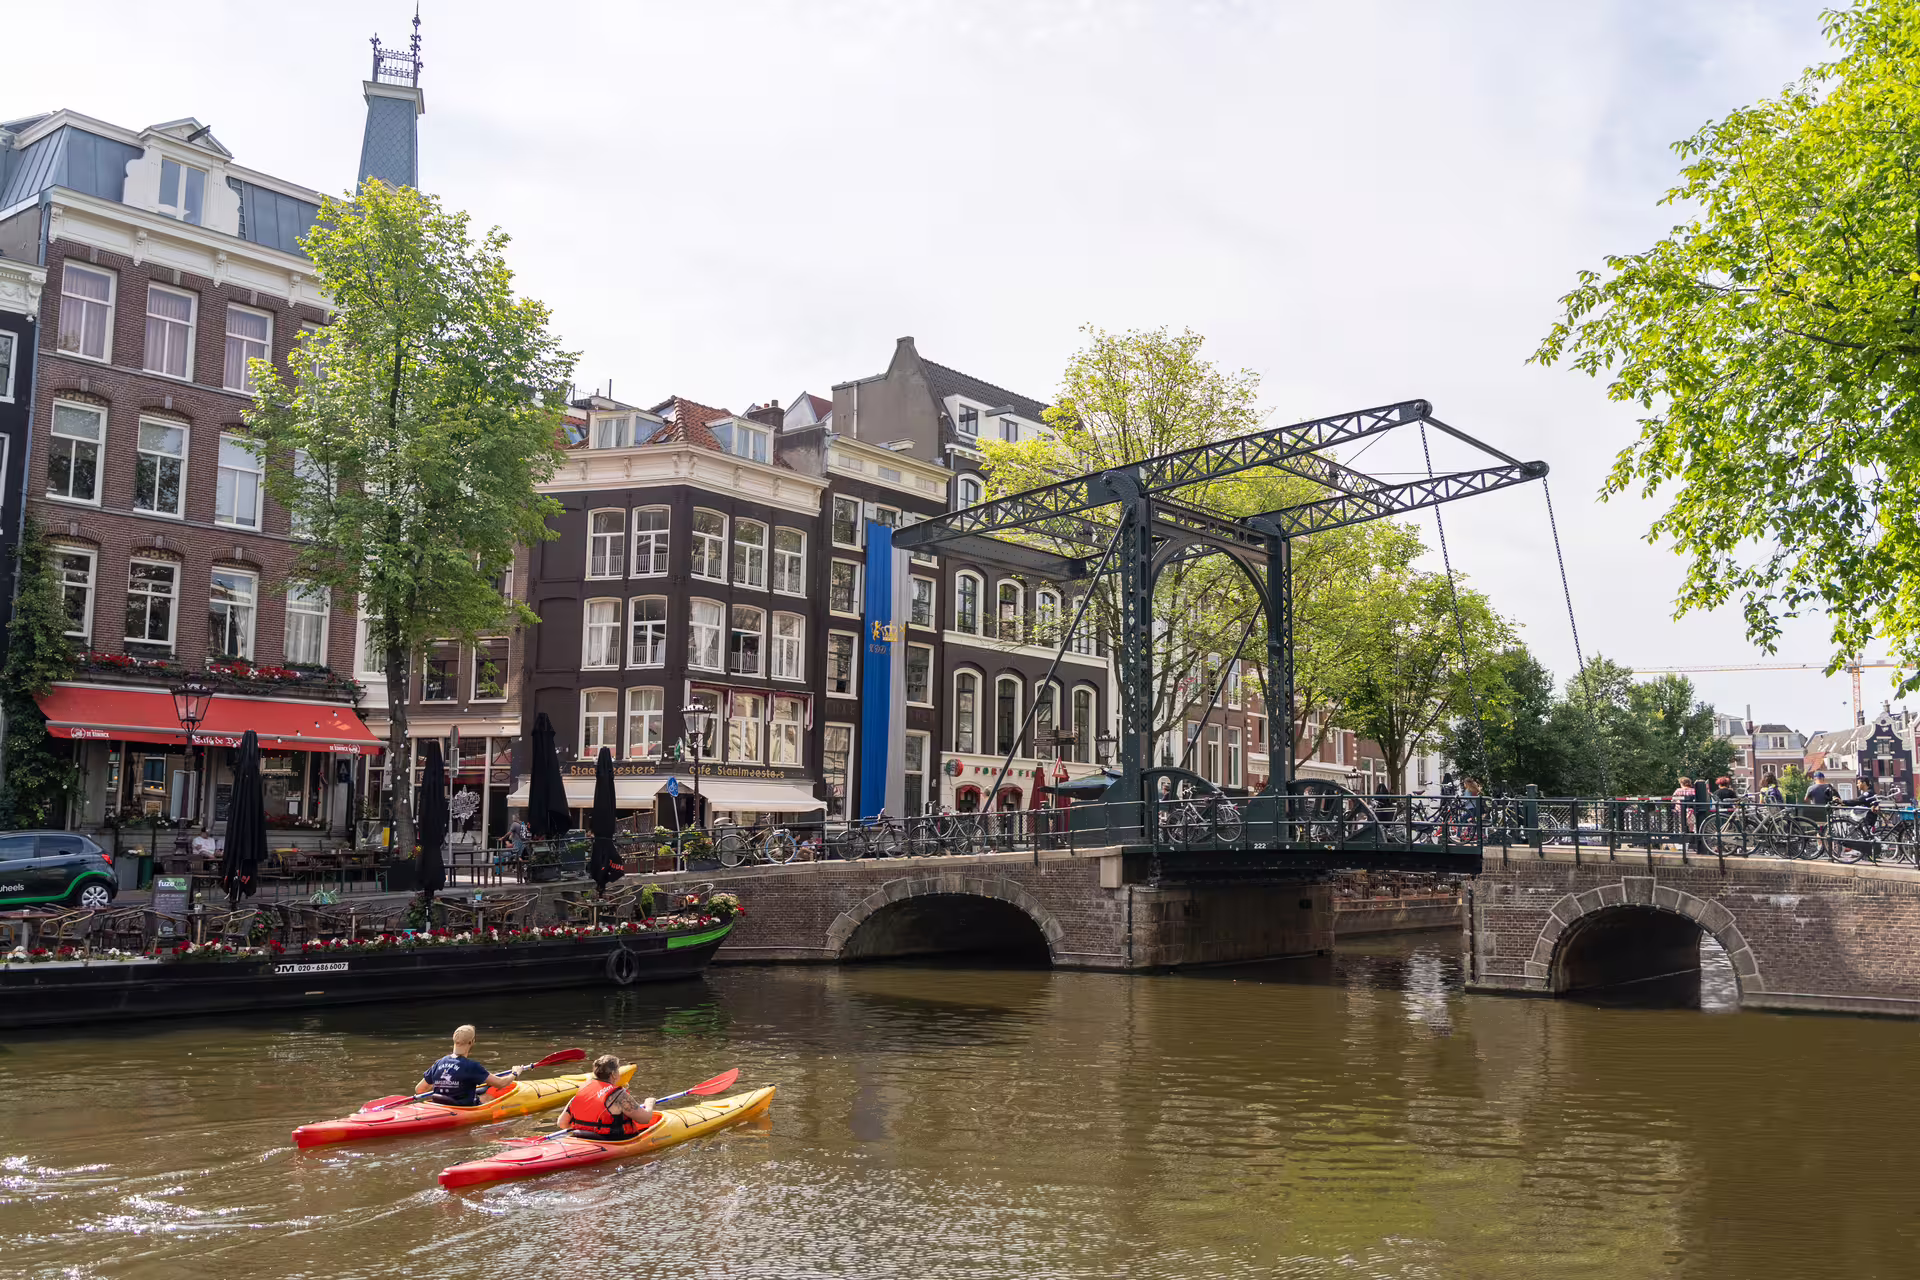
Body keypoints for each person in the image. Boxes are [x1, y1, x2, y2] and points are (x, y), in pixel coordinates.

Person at [559, 1054, 656, 1141]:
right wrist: (649, 1104)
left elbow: (562, 1123)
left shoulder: (582, 1091)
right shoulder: (619, 1095)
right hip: (611, 1141)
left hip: (580, 1137)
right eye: (618, 1070)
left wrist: (585, 1130)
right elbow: (645, 1119)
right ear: (613, 1074)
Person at [418, 1025, 518, 1108]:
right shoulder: (471, 1066)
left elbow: (419, 1089)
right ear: (471, 1042)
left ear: (454, 1038)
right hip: (464, 1109)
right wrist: (515, 1073)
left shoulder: (438, 1063)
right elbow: (500, 1083)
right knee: (491, 1095)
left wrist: (442, 1083)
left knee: (483, 1091)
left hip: (440, 1106)